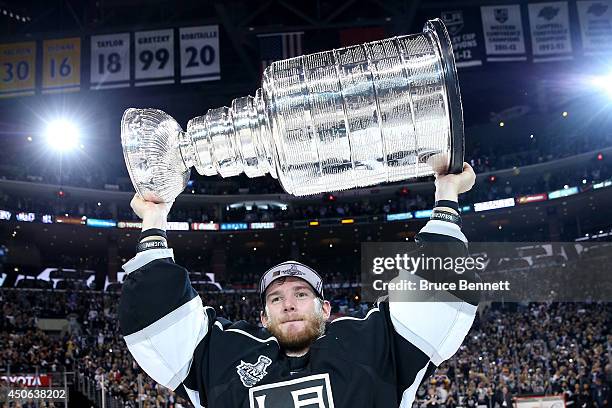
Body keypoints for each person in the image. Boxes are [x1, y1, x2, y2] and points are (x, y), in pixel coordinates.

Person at [118, 163, 479, 408]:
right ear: (263, 316)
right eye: (276, 298)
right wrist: (154, 216)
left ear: (326, 308)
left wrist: (446, 191)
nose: (288, 303)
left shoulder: (373, 343)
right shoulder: (225, 356)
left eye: (301, 293)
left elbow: (440, 287)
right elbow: (157, 317)